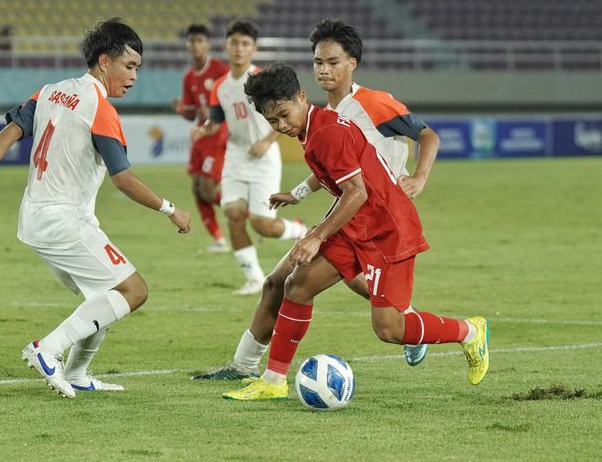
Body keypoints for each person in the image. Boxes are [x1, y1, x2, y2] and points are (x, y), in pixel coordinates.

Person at [0, 18, 191, 399]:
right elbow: (123, 179)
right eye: (128, 66)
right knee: (133, 290)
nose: (133, 77)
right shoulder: (100, 108)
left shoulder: (50, 91)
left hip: (35, 217)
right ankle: (47, 349)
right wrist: (170, 208)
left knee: (103, 296)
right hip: (64, 220)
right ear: (103, 61)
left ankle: (78, 372)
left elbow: (7, 134)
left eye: (137, 69)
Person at [222, 63, 489, 401]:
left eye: (284, 115)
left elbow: (357, 191)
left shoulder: (326, 132)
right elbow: (334, 175)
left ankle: (470, 331)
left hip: (387, 228)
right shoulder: (315, 128)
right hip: (356, 222)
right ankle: (274, 381)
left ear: (302, 98)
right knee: (297, 285)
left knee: (389, 329)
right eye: (272, 121)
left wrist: (316, 235)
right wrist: (297, 195)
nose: (281, 126)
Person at [192, 20, 438, 379]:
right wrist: (298, 193)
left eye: (333, 62)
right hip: (349, 214)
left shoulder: (375, 103)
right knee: (282, 283)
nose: (324, 69)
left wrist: (419, 177)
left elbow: (427, 135)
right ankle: (245, 367)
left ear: (352, 62)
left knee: (316, 289)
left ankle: (412, 323)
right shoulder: (317, 114)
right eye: (318, 62)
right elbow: (332, 170)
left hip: (375, 217)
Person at [191, 21, 307, 296]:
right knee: (232, 213)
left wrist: (267, 141)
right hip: (235, 156)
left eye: (245, 44)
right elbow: (217, 121)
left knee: (262, 225)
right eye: (234, 43)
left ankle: (300, 230)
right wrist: (203, 129)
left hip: (264, 159)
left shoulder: (264, 82)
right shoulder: (220, 86)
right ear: (226, 46)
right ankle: (255, 277)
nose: (239, 49)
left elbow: (287, 117)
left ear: (254, 48)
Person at [172, 24, 230, 253]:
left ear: (207, 44)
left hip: (217, 134)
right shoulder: (188, 78)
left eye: (199, 40)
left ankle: (247, 212)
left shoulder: (220, 70)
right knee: (197, 189)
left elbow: (232, 100)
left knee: (207, 188)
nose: (195, 45)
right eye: (191, 41)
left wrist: (215, 113)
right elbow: (190, 113)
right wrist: (180, 109)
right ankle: (218, 239)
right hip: (200, 135)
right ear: (187, 45)